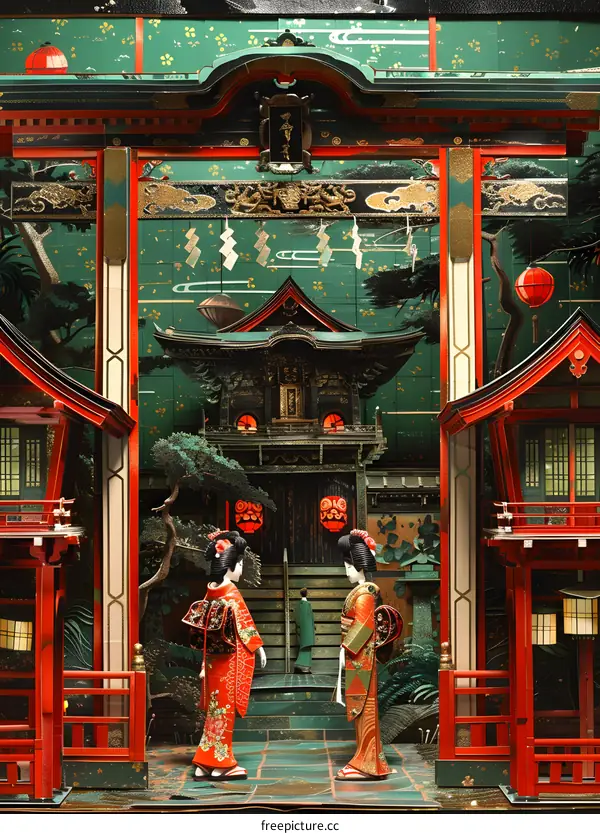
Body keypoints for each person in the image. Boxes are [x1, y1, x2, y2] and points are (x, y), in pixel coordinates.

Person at [182, 530, 266, 780]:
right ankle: (221, 764)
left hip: (211, 661)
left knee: (213, 713)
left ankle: (203, 764)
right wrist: (258, 647)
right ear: (230, 565)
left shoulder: (211, 591)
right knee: (224, 712)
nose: (241, 569)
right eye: (240, 564)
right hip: (229, 661)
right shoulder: (231, 594)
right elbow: (245, 626)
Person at [335, 529, 391, 781]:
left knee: (365, 709)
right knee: (362, 710)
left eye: (348, 566)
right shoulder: (362, 592)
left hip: (362, 658)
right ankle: (369, 760)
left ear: (358, 565)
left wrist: (345, 648)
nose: (346, 571)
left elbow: (364, 626)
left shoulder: (365, 594)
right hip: (359, 657)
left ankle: (367, 764)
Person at [294, 588, 315, 674]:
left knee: (304, 646)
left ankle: (302, 665)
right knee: (306, 647)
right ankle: (303, 665)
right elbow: (310, 618)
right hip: (307, 629)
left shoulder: (298, 605)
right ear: (306, 593)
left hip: (301, 628)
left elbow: (296, 617)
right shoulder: (307, 604)